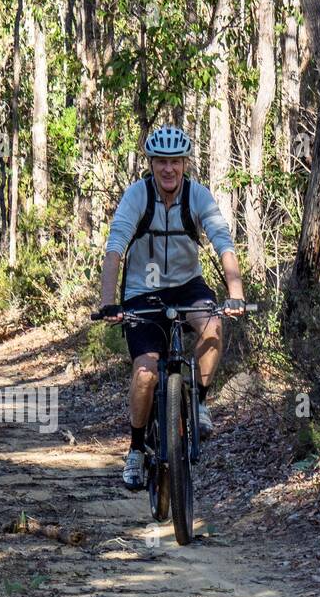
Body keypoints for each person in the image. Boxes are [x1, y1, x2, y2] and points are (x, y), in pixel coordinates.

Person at [97, 124, 246, 490]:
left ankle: (197, 404)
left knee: (213, 326)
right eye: (161, 161)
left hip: (186, 286)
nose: (168, 169)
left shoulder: (198, 197)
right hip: (142, 292)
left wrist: (236, 292)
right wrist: (108, 303)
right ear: (151, 163)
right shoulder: (137, 197)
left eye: (175, 161)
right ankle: (135, 450)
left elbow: (223, 241)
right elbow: (115, 248)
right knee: (146, 373)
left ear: (185, 163)